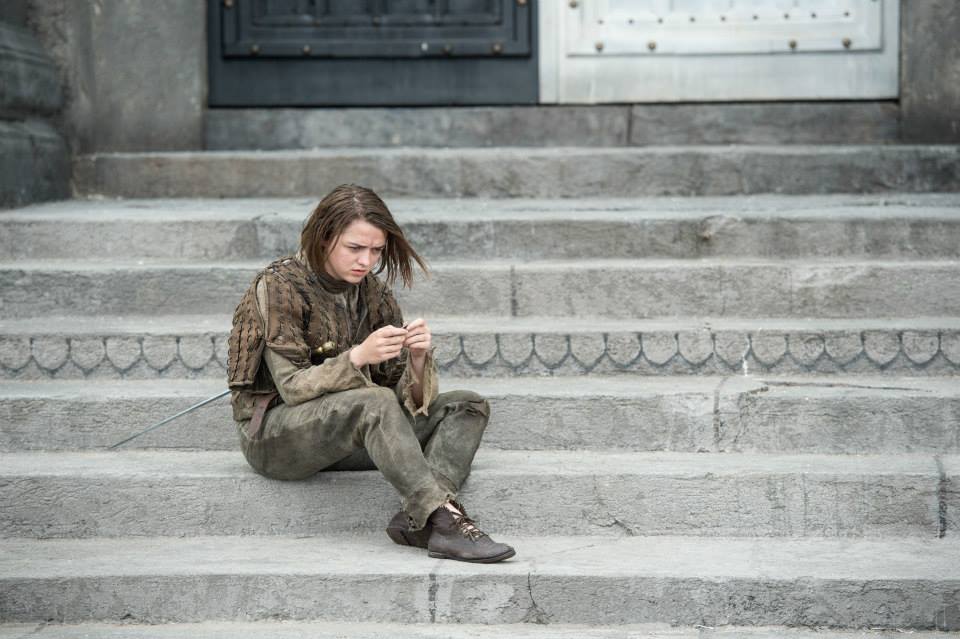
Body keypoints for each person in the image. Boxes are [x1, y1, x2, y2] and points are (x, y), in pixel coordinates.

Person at [226, 184, 515, 563]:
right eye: (355, 248)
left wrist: (417, 358)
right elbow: (293, 387)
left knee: (466, 406)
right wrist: (358, 357)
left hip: (348, 431)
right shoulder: (279, 286)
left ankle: (419, 515)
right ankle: (444, 521)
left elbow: (401, 398)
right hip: (276, 436)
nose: (366, 261)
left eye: (376, 250)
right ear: (325, 237)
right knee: (374, 402)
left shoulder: (373, 293)